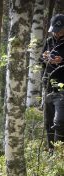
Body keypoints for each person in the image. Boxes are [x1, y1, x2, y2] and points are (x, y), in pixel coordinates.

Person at [41, 14, 64, 153]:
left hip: (62, 89)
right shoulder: (49, 41)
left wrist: (61, 61)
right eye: (55, 29)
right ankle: (51, 151)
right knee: (48, 122)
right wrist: (45, 58)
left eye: (59, 29)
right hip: (48, 87)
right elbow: (40, 61)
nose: (56, 32)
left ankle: (59, 152)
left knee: (60, 122)